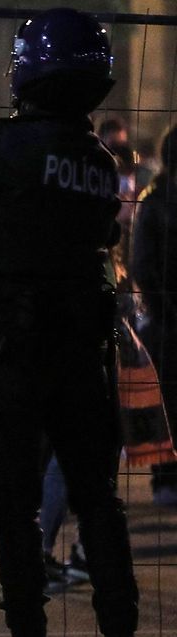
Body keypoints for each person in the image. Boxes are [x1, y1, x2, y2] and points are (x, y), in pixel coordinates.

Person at [0, 7, 148, 637]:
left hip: (13, 350)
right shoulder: (98, 161)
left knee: (14, 509)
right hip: (82, 353)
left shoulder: (2, 147)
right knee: (99, 503)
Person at [133, 125, 177, 507]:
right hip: (167, 322)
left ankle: (166, 477)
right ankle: (166, 476)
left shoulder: (154, 200)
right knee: (168, 403)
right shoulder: (156, 202)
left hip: (164, 318)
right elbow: (145, 268)